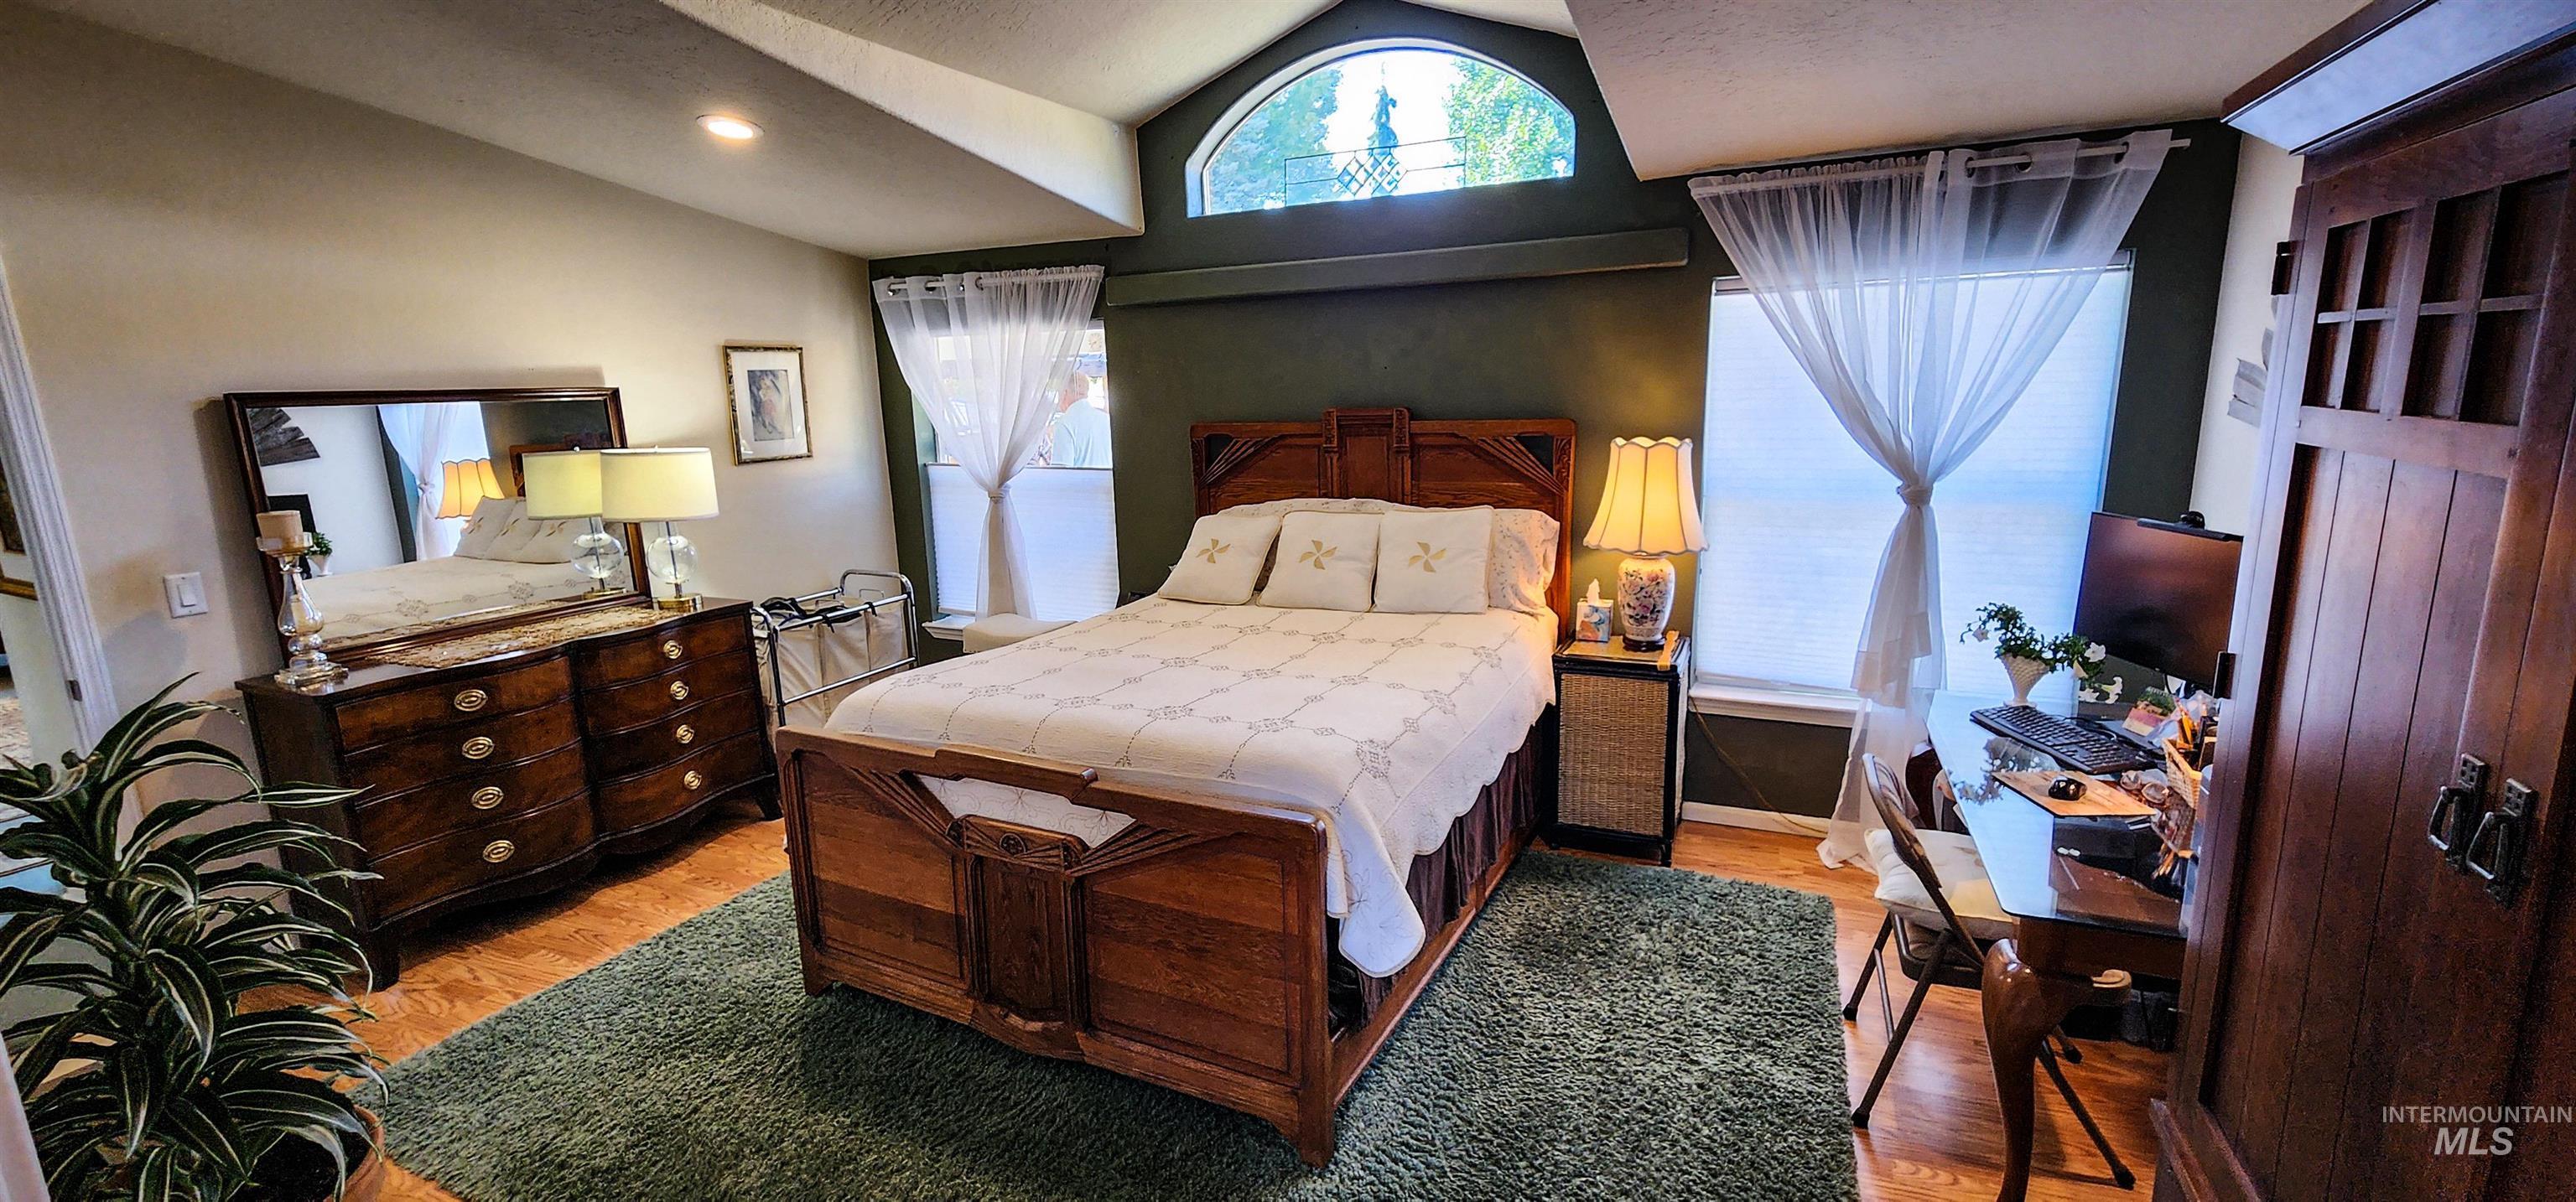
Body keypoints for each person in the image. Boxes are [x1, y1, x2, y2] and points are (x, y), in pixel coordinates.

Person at [1044, 372, 1112, 468]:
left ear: (1065, 393)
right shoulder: (1107, 420)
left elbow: (1061, 472)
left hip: (1080, 483)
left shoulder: (1065, 424)